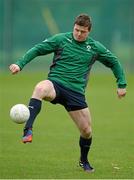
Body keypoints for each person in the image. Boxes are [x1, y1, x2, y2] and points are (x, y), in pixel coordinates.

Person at [9, 14, 127, 172]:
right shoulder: (61, 39)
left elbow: (114, 62)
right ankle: (28, 129)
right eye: (76, 30)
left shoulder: (95, 48)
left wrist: (121, 84)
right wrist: (19, 64)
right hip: (55, 84)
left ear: (89, 31)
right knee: (40, 88)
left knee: (87, 131)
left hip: (76, 93)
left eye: (82, 31)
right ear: (73, 27)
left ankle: (83, 160)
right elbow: (38, 49)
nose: (78, 34)